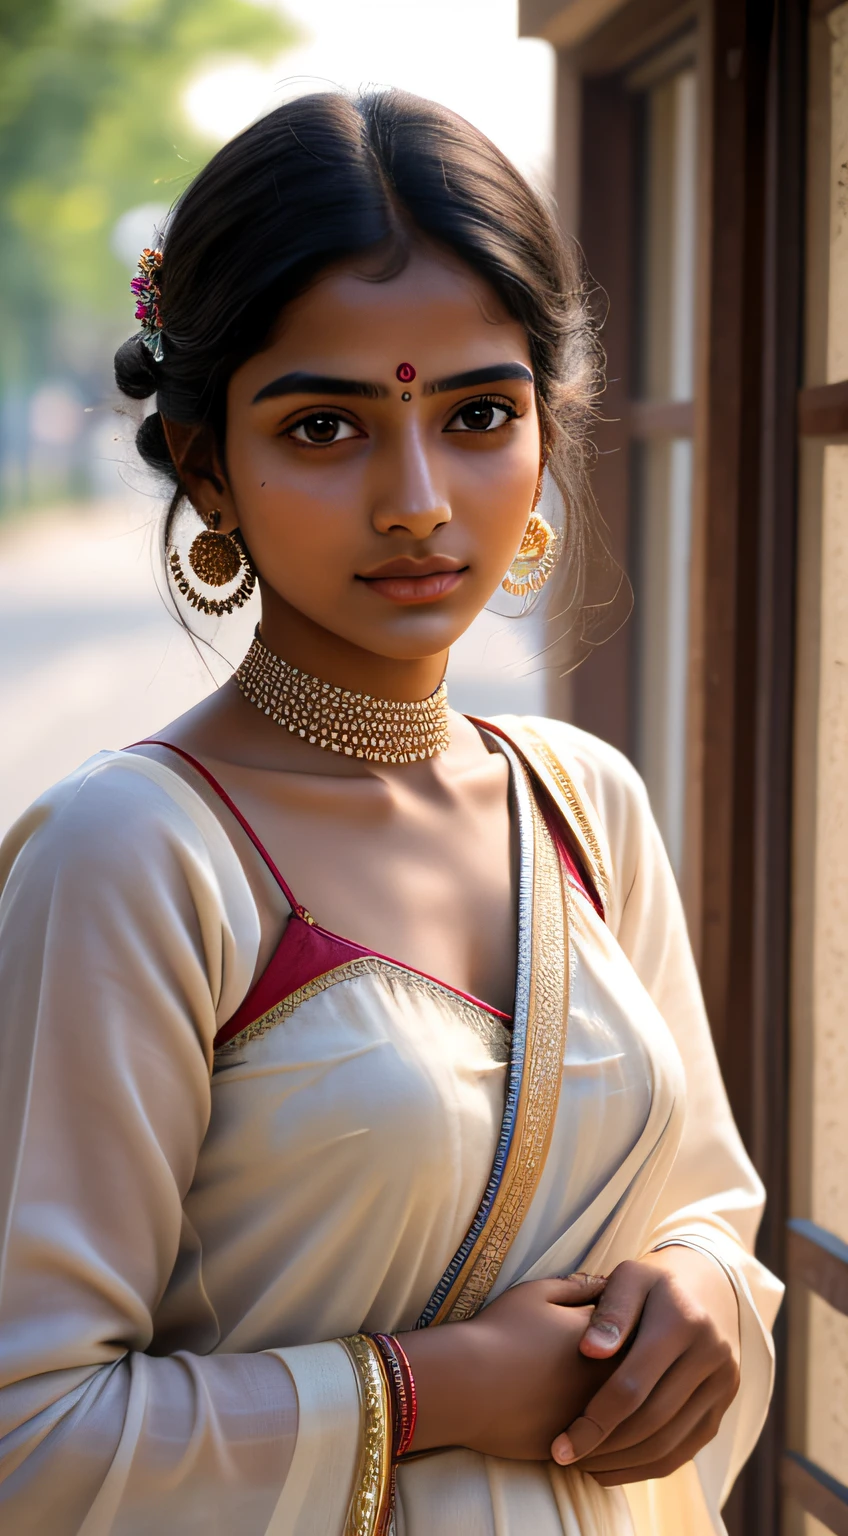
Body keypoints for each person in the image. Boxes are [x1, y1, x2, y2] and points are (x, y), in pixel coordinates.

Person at [0, 89, 782, 1536]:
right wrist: (430, 1392)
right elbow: (28, 1439)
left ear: (548, 432)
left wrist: (699, 1292)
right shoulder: (138, 857)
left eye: (479, 413)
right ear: (204, 465)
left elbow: (708, 1209)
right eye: (325, 427)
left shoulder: (584, 805)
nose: (419, 500)